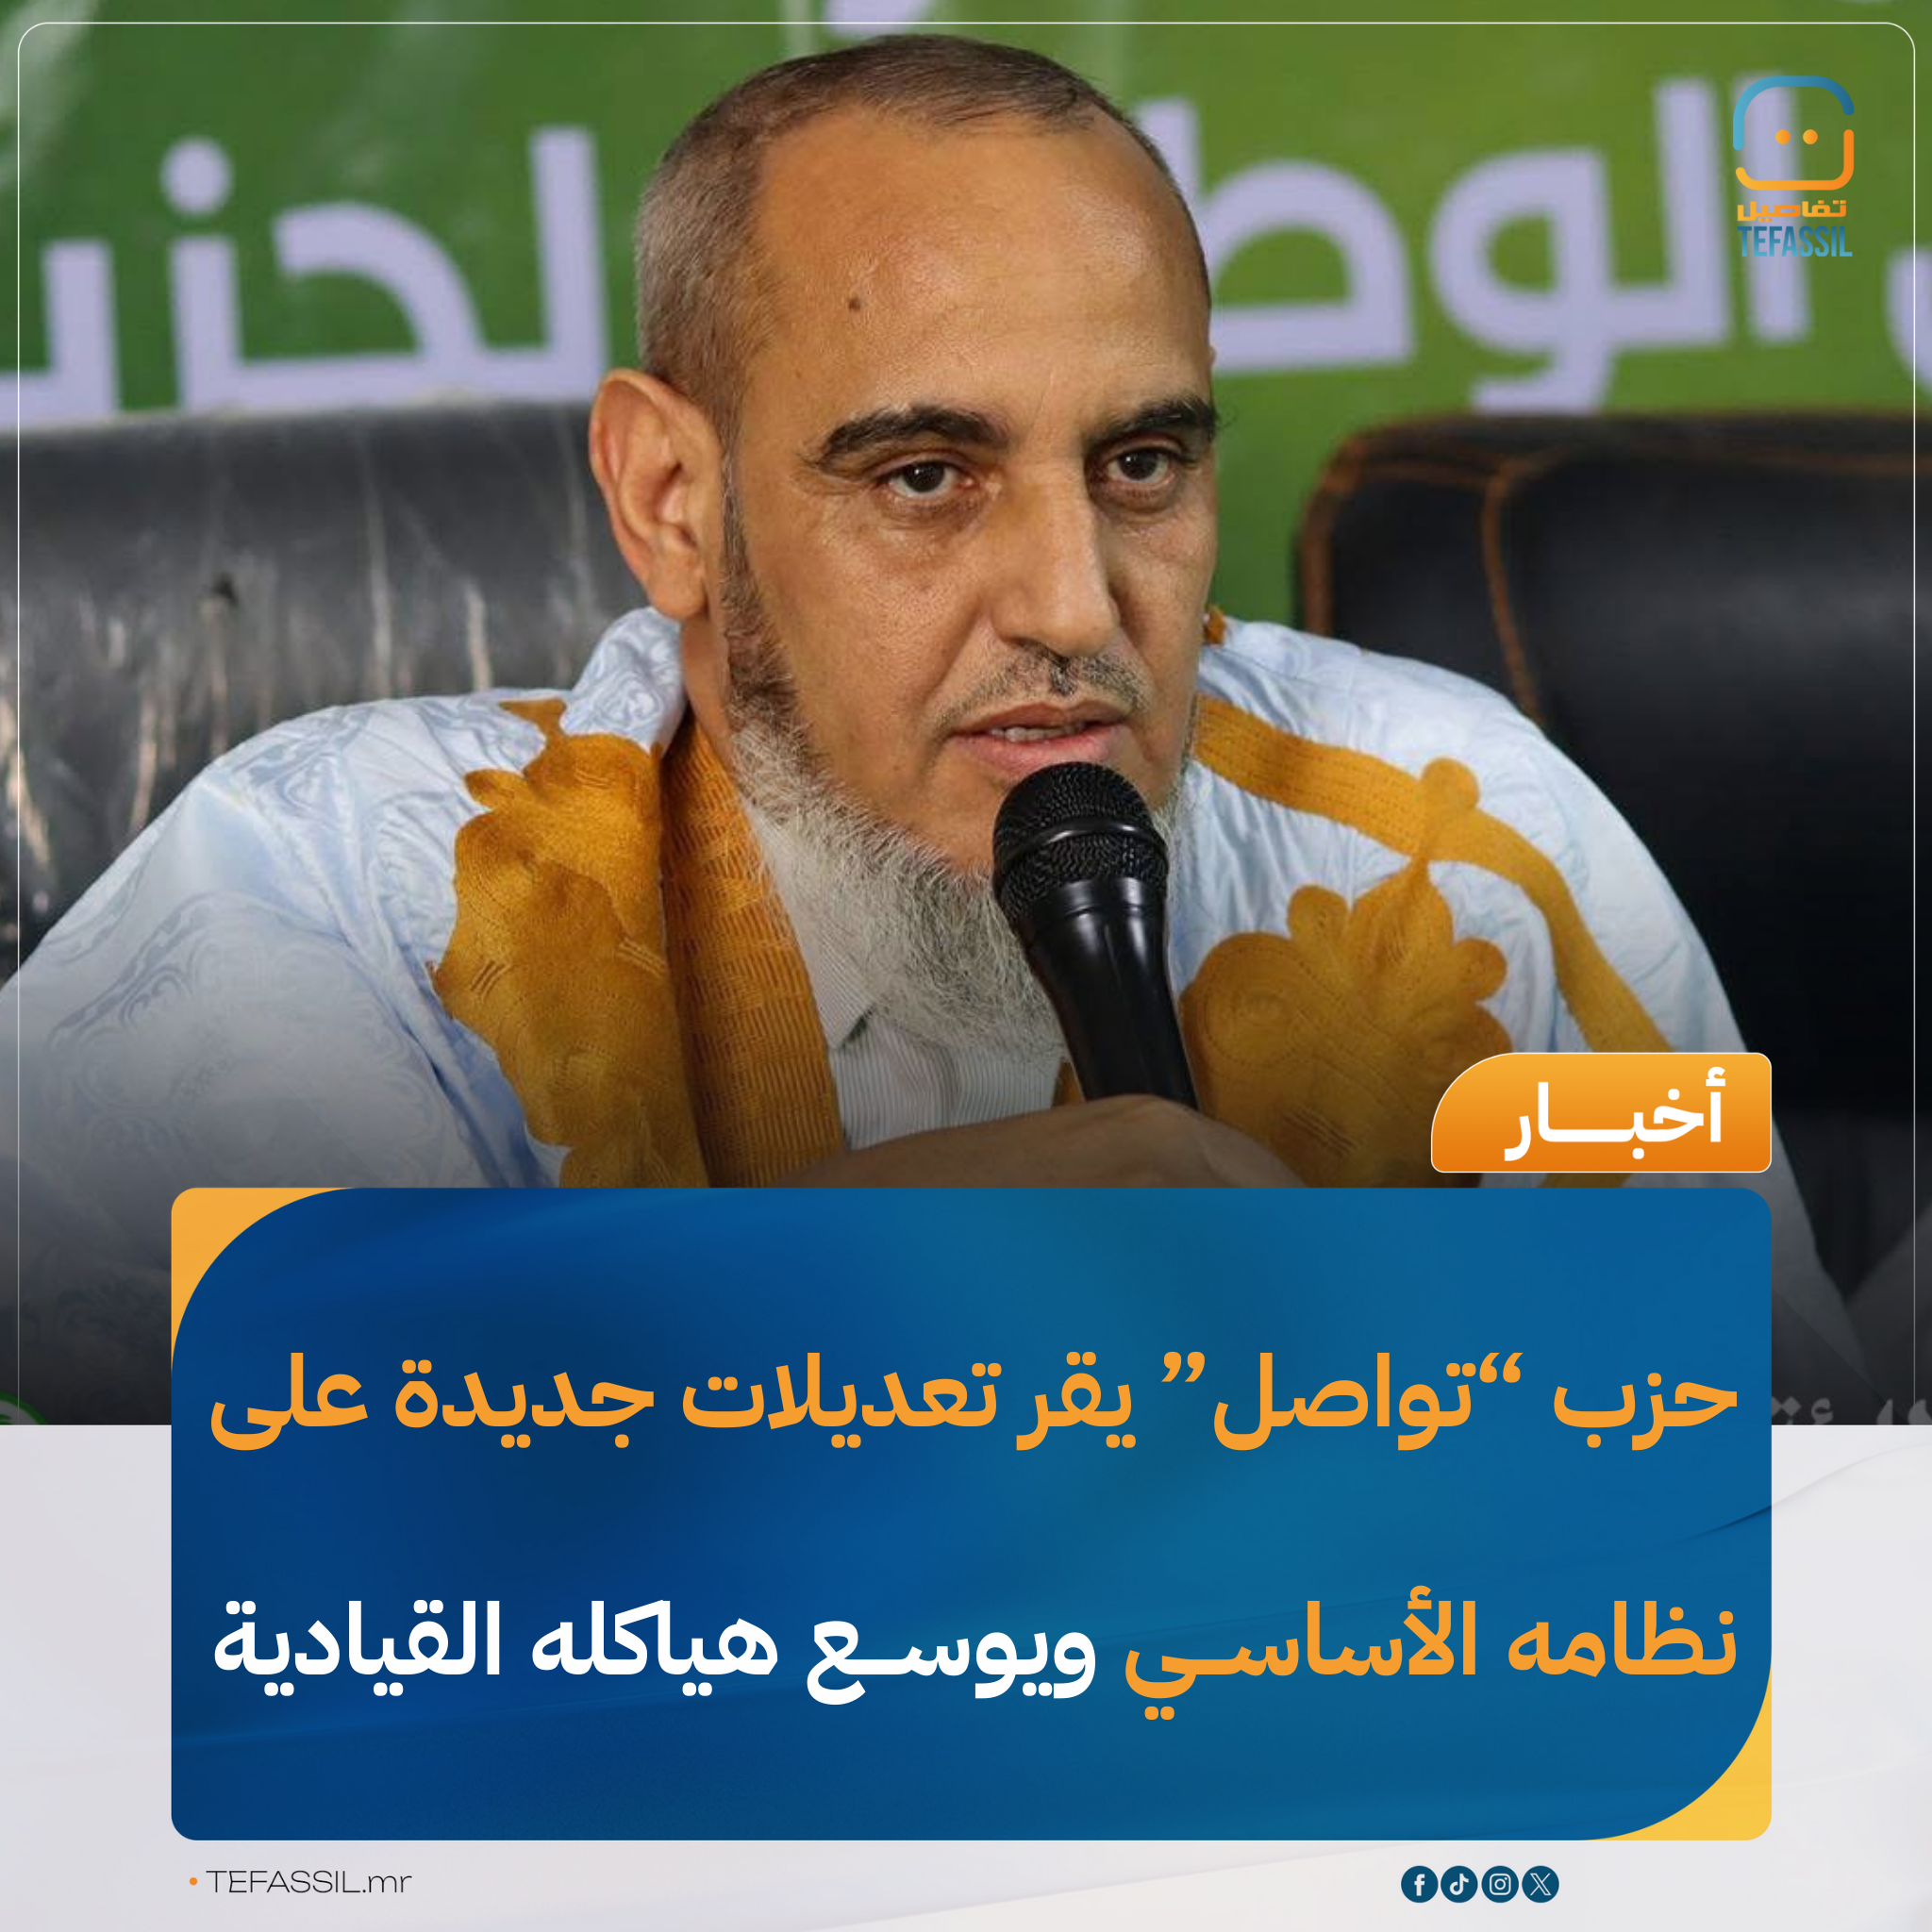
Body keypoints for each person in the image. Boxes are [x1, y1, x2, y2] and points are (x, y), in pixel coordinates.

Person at [3, 35, 1869, 1422]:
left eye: (1142, 465)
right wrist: (877, 1281)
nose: (1075, 605)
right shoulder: (346, 883)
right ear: (671, 501)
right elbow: (141, 1530)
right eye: (922, 477)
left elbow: (1780, 1511)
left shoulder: (1459, 839)